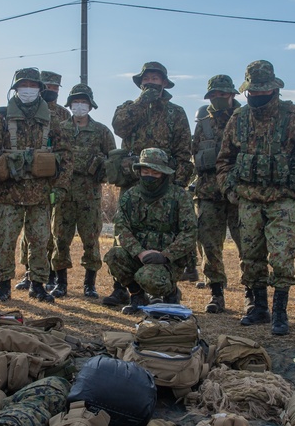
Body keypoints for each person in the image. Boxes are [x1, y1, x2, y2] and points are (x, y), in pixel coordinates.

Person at [217, 61, 295, 335]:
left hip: (281, 201)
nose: (257, 96)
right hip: (248, 200)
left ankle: (280, 312)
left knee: (281, 257)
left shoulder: (292, 115)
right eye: (252, 92)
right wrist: (230, 190)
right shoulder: (238, 118)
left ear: (274, 89)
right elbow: (224, 161)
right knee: (250, 257)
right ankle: (258, 308)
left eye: (262, 91)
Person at [104, 62, 193, 307]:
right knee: (123, 238)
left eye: (157, 79)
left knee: (163, 232)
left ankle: (164, 281)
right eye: (148, 79)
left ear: (165, 83)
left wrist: (175, 185)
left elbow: (185, 152)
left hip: (165, 182)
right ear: (141, 83)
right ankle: (123, 289)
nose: (152, 82)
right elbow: (119, 126)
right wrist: (142, 102)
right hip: (134, 180)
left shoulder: (176, 112)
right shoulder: (129, 108)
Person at [0, 67, 71, 303]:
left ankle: (38, 285)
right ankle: (3, 286)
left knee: (40, 241)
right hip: (9, 193)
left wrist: (60, 186)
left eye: (32, 85)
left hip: (40, 194)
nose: (28, 90)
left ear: (40, 89)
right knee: (6, 240)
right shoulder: (1, 117)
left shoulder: (53, 120)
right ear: (16, 88)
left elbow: (66, 154)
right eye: (23, 85)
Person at [105, 148, 197, 314]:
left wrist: (165, 255)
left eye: (155, 172)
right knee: (113, 256)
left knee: (148, 278)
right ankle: (137, 296)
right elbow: (121, 228)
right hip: (140, 255)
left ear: (164, 174)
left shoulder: (180, 197)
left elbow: (189, 234)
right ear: (139, 172)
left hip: (169, 260)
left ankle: (171, 293)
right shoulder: (130, 196)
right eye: (145, 171)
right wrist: (140, 252)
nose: (149, 176)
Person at [50, 83, 115, 298]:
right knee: (60, 238)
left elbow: (113, 160)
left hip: (90, 195)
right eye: (76, 102)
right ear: (70, 104)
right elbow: (49, 157)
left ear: (90, 105)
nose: (80, 106)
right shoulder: (59, 129)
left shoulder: (101, 131)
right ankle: (60, 283)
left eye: (84, 102)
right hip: (64, 194)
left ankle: (90, 284)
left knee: (91, 240)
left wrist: (101, 170)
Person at [192, 75, 243, 314]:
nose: (218, 99)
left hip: (239, 192)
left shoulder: (246, 119)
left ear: (232, 95)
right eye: (214, 95)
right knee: (210, 246)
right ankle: (216, 293)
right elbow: (193, 152)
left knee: (248, 246)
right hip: (208, 193)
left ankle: (252, 294)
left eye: (223, 95)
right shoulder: (202, 122)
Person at [16, 70, 70, 291]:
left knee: (49, 232)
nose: (51, 90)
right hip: (25, 183)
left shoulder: (62, 115)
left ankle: (49, 274)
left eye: (55, 87)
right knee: (28, 234)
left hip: (51, 182)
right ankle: (30, 273)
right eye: (47, 86)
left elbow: (66, 149)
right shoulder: (22, 109)